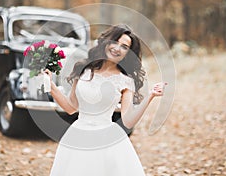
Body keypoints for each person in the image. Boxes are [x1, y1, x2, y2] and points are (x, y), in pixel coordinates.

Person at [44, 24, 166, 176]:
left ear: (128, 53)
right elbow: (71, 107)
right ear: (107, 42)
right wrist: (51, 86)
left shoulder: (125, 81)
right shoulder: (84, 69)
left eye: (124, 47)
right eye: (115, 42)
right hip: (78, 134)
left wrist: (151, 96)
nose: (117, 48)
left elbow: (128, 120)